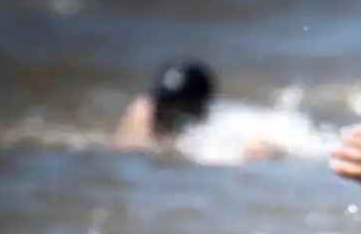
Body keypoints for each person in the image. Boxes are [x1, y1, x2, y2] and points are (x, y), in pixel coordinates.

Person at [112, 59, 281, 159]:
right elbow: (121, 147)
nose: (164, 113)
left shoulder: (217, 129)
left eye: (174, 107)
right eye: (162, 103)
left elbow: (267, 147)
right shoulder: (145, 109)